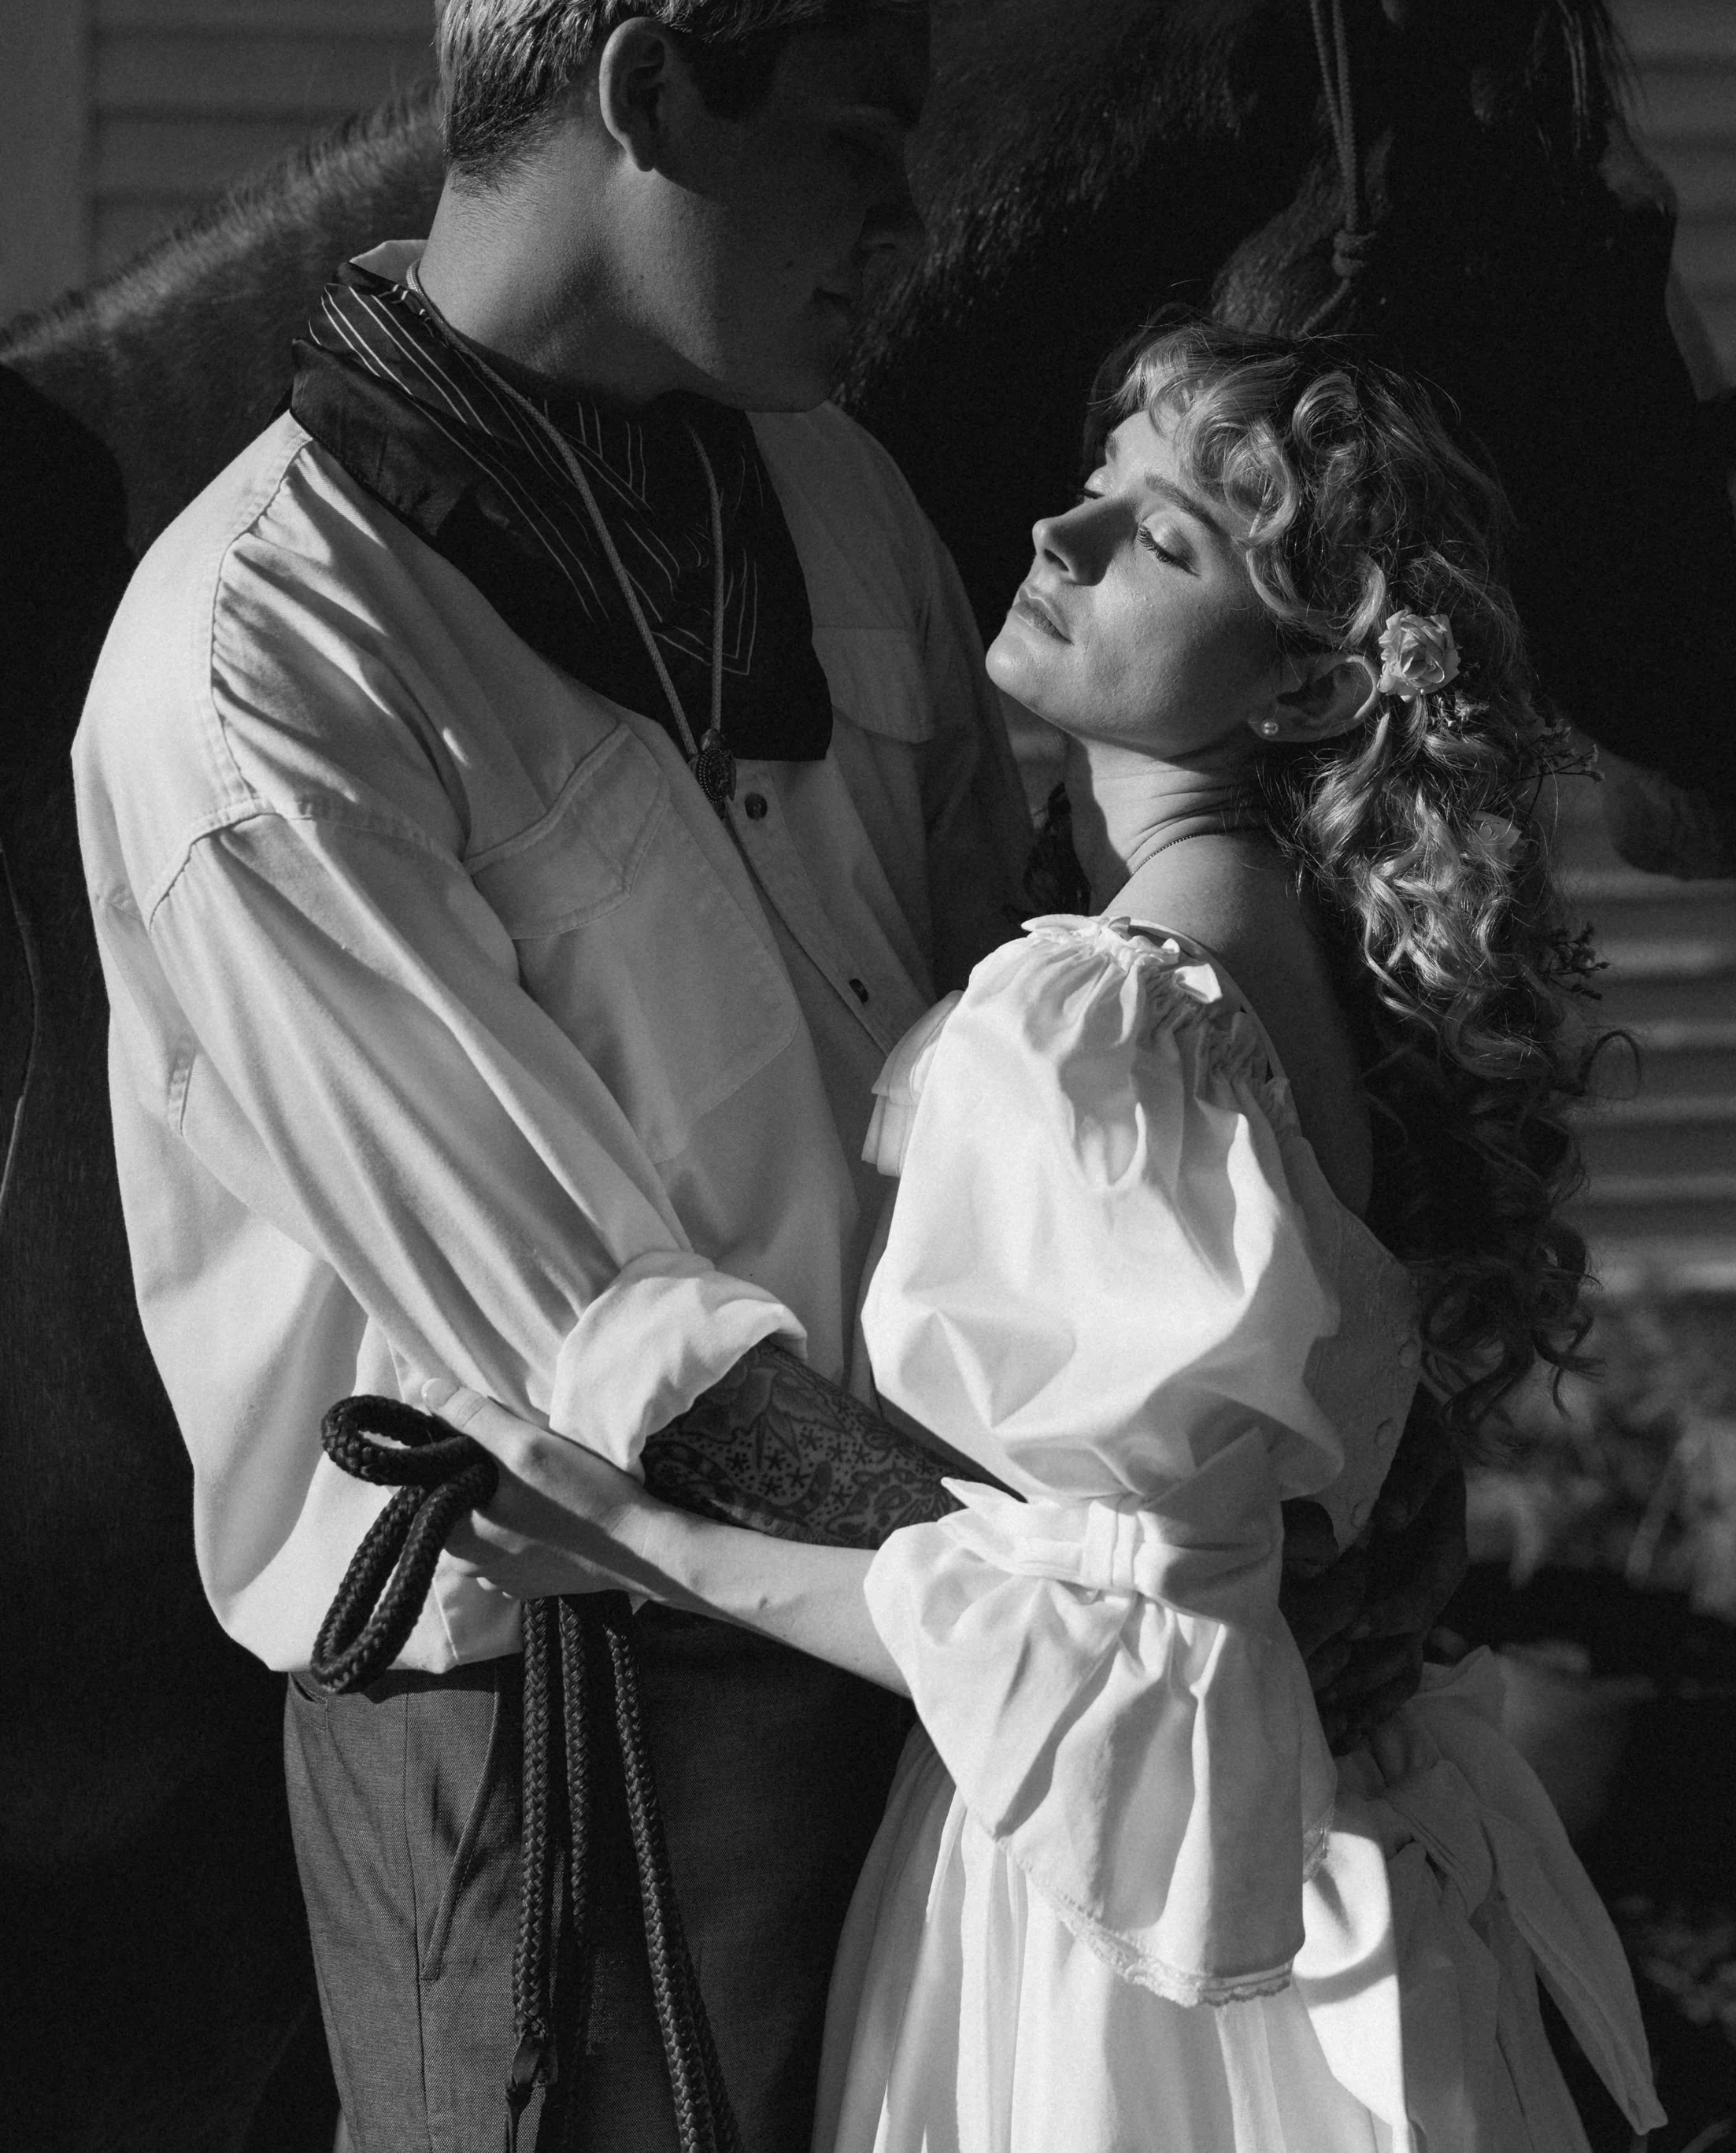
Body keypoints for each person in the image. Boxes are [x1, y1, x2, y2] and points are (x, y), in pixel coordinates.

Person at [74, 0, 1464, 2151]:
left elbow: (1008, 1058)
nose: (909, 215)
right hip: (565, 1704)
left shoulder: (829, 491)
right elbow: (609, 1341)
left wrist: (1177, 1564)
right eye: (851, 139)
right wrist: (1100, 1611)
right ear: (641, 96)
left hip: (938, 1675)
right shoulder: (256, 667)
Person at [449, 323, 1666, 2151]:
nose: (1057, 530)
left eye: (1163, 542)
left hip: (1122, 1930)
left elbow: (1121, 1644)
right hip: (1295, 1825)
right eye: (1098, 476)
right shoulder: (1272, 941)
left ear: (1299, 689)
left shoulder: (1102, 1021)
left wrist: (643, 1538)